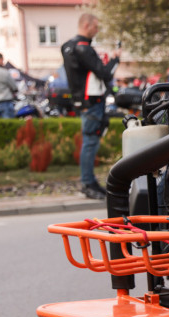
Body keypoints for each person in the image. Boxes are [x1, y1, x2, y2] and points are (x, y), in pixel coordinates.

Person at [62, 13, 120, 200]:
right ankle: (88, 183)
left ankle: (90, 182)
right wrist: (115, 59)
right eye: (96, 27)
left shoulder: (68, 46)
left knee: (89, 143)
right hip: (92, 102)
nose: (97, 30)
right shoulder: (83, 48)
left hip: (84, 102)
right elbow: (105, 73)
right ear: (87, 25)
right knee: (90, 143)